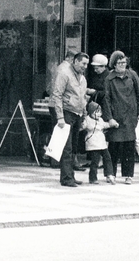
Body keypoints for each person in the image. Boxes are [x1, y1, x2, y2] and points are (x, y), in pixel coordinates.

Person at [102, 51, 139, 183]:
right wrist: (109, 118)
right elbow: (106, 99)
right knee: (113, 146)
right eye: (119, 63)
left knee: (129, 146)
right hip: (116, 116)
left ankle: (128, 175)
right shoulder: (109, 78)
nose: (122, 65)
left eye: (124, 62)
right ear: (113, 64)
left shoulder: (132, 75)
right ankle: (110, 174)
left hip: (130, 116)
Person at [51, 52, 90, 187]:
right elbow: (57, 95)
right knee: (66, 147)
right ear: (75, 61)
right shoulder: (65, 73)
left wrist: (84, 116)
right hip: (67, 112)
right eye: (83, 63)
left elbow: (83, 98)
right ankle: (67, 178)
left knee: (73, 147)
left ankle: (70, 175)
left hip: (78, 113)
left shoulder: (82, 78)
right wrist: (60, 116)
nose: (85, 66)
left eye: (86, 64)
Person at [82, 101, 117, 185]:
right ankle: (93, 178)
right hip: (93, 143)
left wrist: (112, 124)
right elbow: (84, 126)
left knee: (107, 158)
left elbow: (105, 125)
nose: (98, 114)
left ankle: (110, 174)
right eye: (96, 112)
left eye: (100, 112)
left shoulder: (100, 120)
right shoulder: (87, 119)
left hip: (102, 143)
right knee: (95, 161)